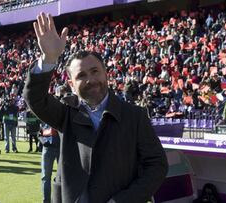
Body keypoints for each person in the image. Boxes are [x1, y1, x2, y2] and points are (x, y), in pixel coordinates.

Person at [23, 12, 168, 203]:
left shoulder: (134, 116)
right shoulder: (66, 113)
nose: (90, 80)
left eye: (94, 71)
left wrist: (124, 200)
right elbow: (35, 99)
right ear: (72, 85)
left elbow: (157, 165)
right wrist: (49, 58)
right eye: (81, 75)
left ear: (106, 74)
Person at [39, 123, 60, 203]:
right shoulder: (44, 117)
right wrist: (44, 142)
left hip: (60, 148)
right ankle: (46, 201)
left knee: (61, 177)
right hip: (47, 149)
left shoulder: (62, 114)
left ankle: (59, 200)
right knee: (45, 177)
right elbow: (40, 133)